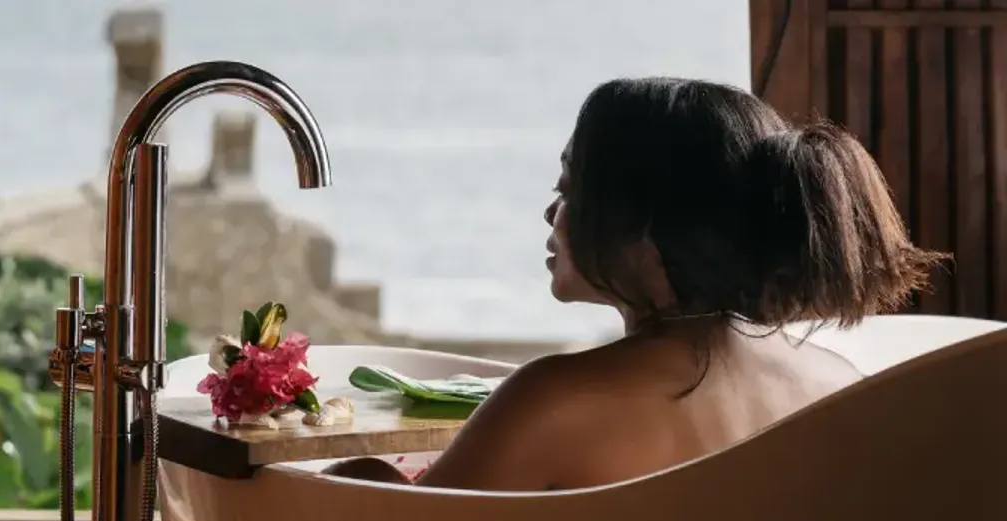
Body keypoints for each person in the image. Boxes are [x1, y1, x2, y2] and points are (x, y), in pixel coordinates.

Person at [325, 77, 947, 490]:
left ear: (645, 226)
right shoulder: (836, 382)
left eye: (567, 191)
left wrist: (357, 475)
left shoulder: (551, 401)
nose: (551, 215)